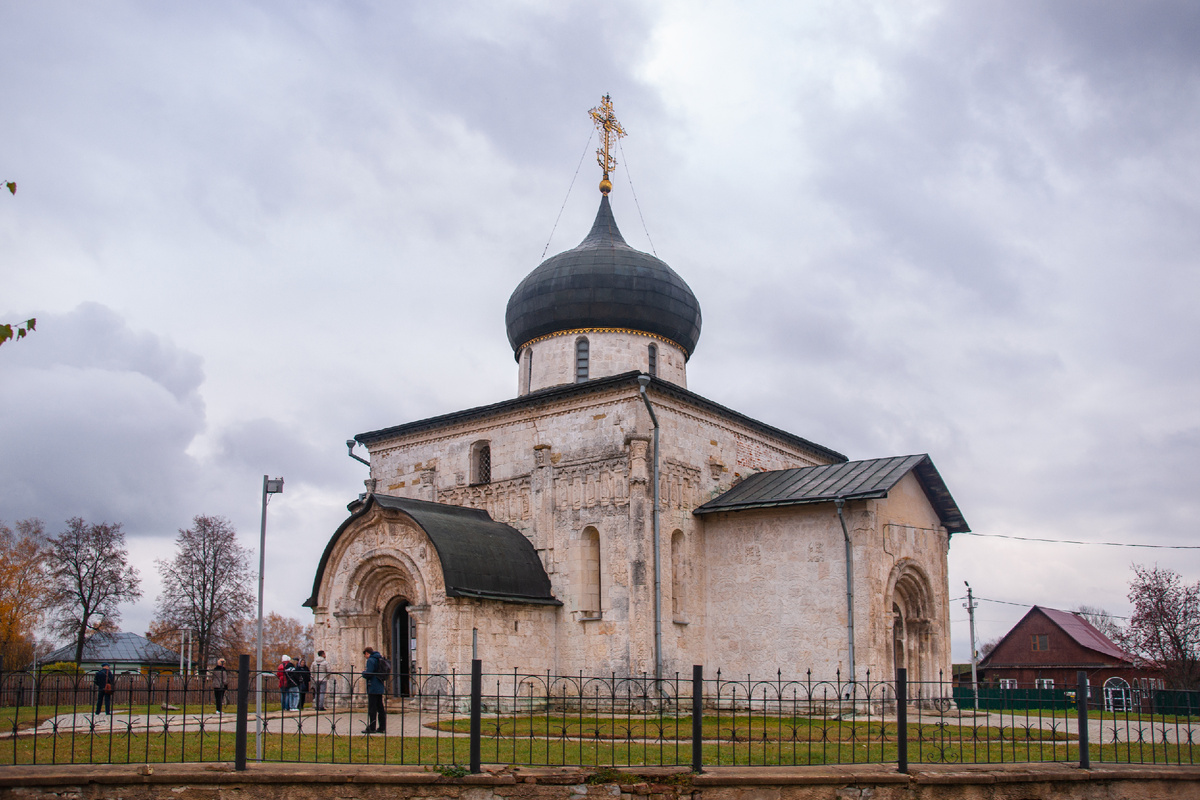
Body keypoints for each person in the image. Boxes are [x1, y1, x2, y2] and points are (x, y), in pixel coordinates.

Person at [361, 647, 386, 734]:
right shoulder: (379, 658)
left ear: (367, 653)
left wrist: (363, 673)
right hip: (379, 685)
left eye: (365, 655)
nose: (366, 657)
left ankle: (372, 727)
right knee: (380, 708)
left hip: (373, 686)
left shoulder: (371, 660)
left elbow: (369, 673)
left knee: (372, 708)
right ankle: (382, 727)